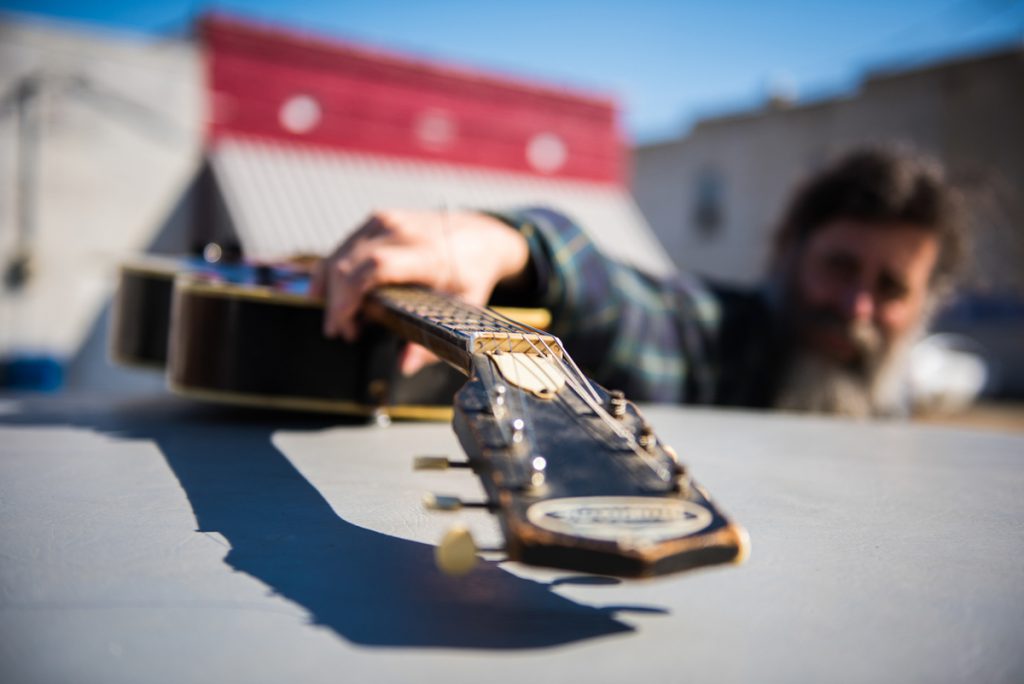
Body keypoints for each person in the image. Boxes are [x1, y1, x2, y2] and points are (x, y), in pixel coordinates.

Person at [311, 146, 969, 417]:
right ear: (787, 252)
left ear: (924, 306)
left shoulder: (901, 416)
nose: (855, 306)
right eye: (840, 266)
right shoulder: (715, 338)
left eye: (891, 289)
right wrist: (503, 241)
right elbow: (622, 301)